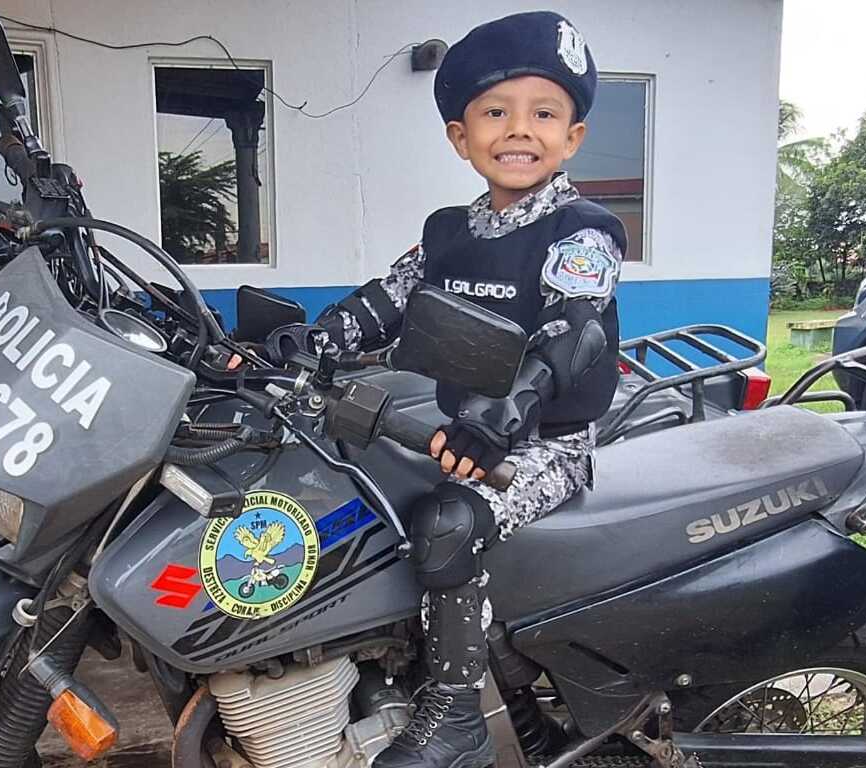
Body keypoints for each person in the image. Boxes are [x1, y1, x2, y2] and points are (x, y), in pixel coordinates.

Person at [242, 11, 625, 768]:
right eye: (496, 112)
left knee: (448, 522)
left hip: (544, 445)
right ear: (461, 136)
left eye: (544, 113)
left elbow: (573, 334)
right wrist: (311, 340)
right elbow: (390, 297)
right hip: (463, 432)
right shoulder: (452, 229)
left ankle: (455, 719)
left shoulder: (584, 231)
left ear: (572, 136)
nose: (520, 131)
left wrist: (505, 418)